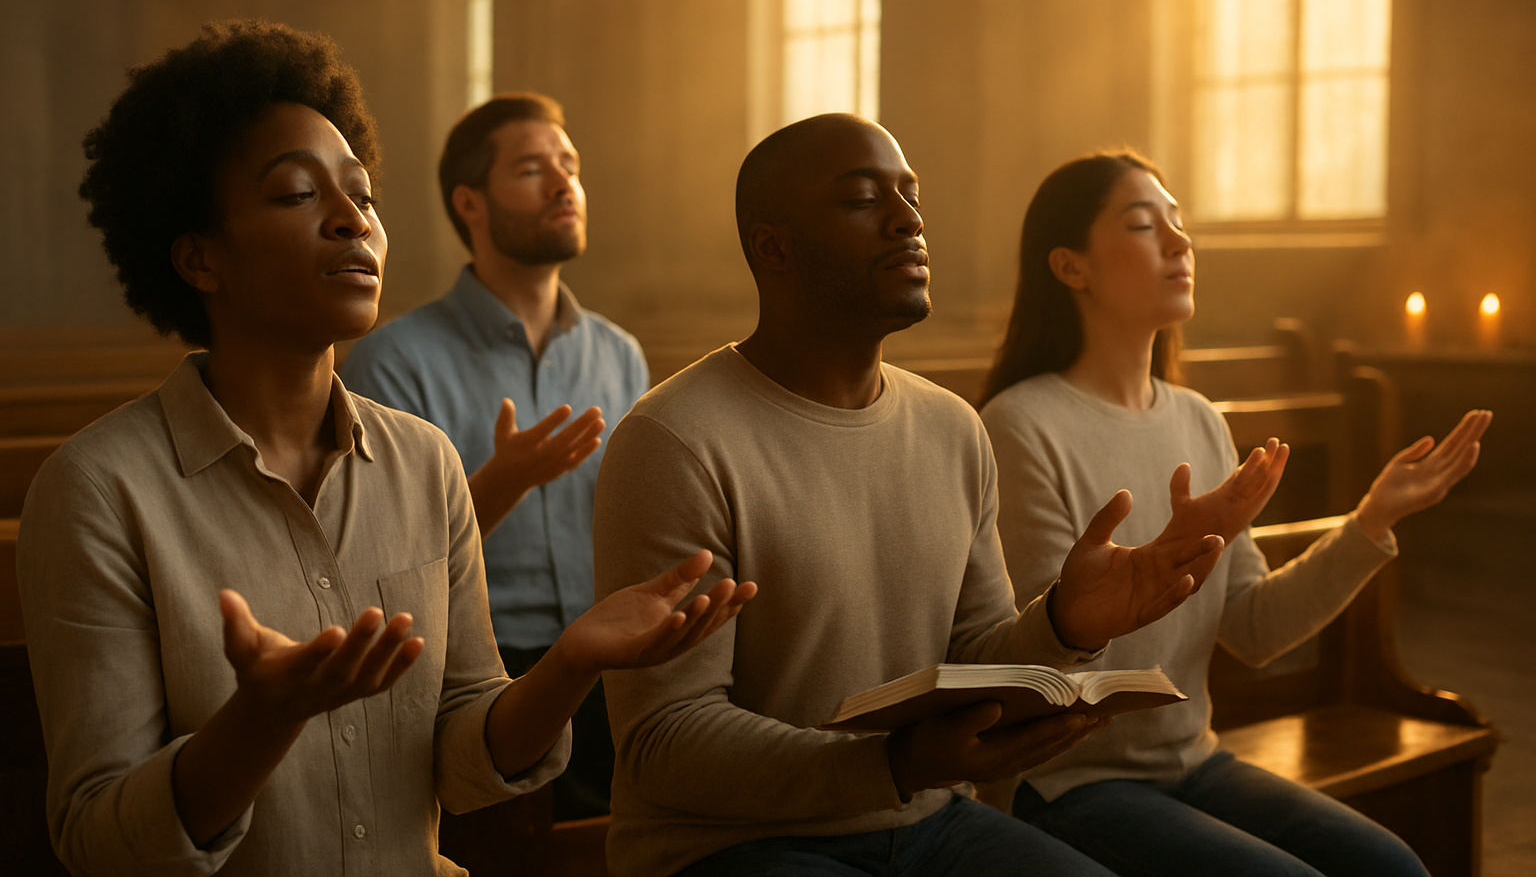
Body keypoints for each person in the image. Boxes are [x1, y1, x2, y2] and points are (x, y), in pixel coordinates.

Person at [17, 20, 754, 877]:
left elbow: (462, 764)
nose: (350, 221)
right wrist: (260, 718)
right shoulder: (98, 490)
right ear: (198, 258)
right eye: (297, 195)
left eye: (362, 196)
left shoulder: (424, 462)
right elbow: (99, 840)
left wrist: (568, 662)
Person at [589, 114, 1279, 877]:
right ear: (773, 247)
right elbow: (664, 739)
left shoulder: (951, 428)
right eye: (862, 199)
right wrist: (892, 764)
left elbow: (977, 652)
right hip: (733, 843)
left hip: (928, 821)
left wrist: (1064, 623)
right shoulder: (676, 439)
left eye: (910, 195)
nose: (909, 220)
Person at [977, 150, 1490, 877]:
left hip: (1194, 759)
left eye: (1178, 222)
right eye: (1142, 224)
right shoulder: (1021, 424)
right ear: (1071, 267)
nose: (1180, 242)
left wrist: (1371, 523)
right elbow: (1044, 672)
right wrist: (1160, 565)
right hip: (1067, 781)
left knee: (1392, 867)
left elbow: (1252, 630)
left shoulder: (1198, 419)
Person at [340, 92, 644, 817]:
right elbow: (375, 571)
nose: (564, 183)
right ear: (470, 204)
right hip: (475, 678)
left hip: (618, 663)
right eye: (533, 169)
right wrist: (496, 488)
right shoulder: (393, 363)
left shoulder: (618, 353)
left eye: (568, 166)